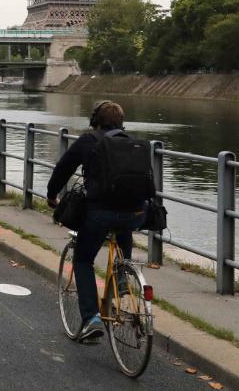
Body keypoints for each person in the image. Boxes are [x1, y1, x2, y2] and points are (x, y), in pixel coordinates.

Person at [47, 101, 147, 345]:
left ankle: (91, 319)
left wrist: (52, 195)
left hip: (100, 213)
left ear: (95, 120)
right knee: (123, 227)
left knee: (83, 259)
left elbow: (63, 169)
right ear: (121, 122)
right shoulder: (132, 143)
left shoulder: (88, 141)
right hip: (136, 212)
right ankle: (123, 277)